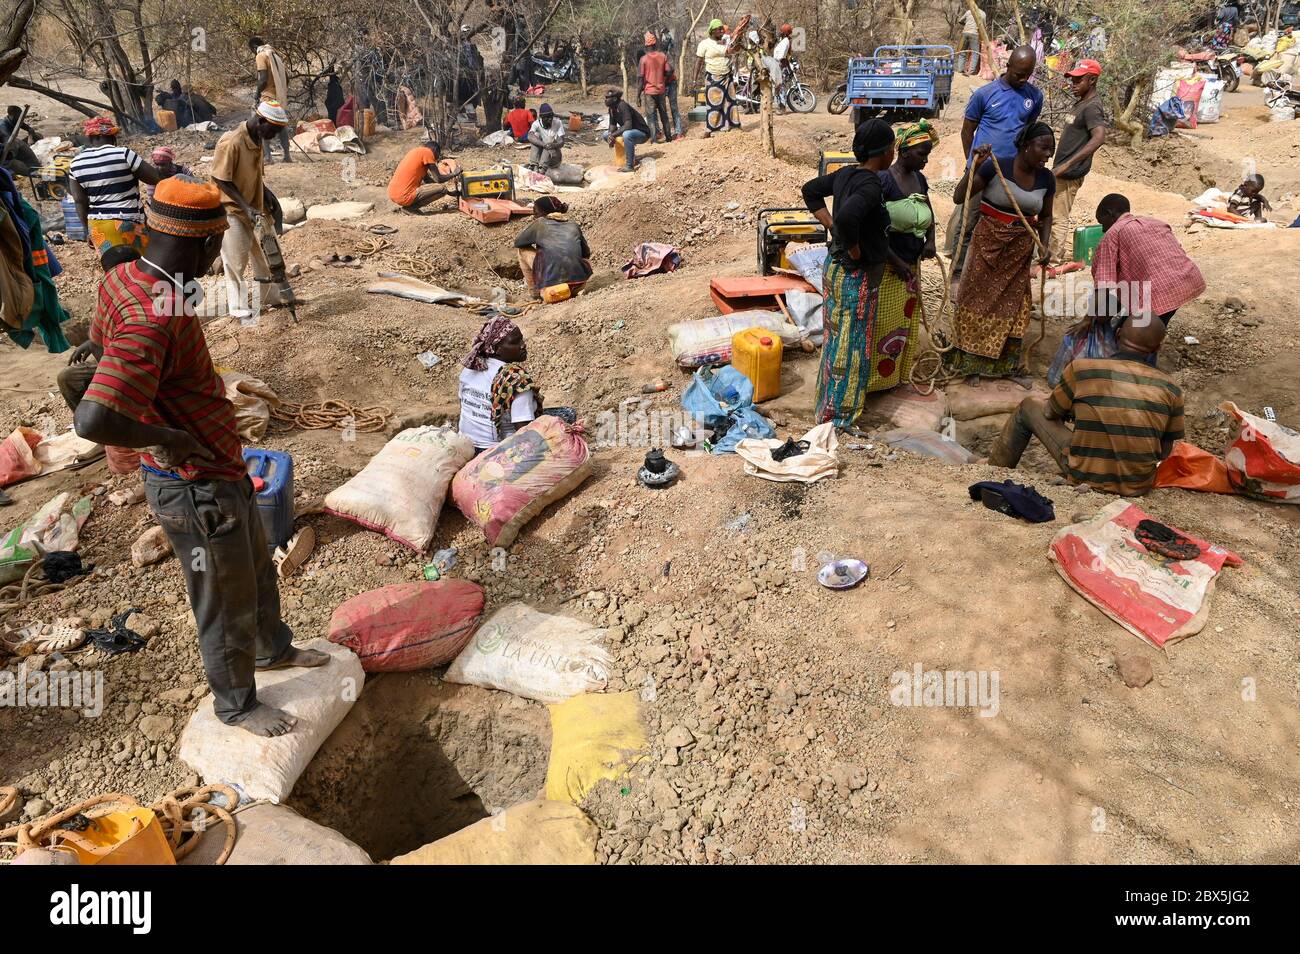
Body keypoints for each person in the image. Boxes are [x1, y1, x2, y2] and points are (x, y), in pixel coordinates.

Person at [71, 175, 329, 736]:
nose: (216, 259)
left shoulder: (128, 279)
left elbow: (93, 345)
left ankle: (272, 650)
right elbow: (91, 418)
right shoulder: (153, 315)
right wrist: (175, 438)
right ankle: (237, 703)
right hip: (194, 480)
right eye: (215, 248)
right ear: (205, 245)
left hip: (219, 466)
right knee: (222, 592)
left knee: (255, 566)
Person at [989, 316, 1183, 497]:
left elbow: (1049, 412)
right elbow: (1164, 452)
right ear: (1157, 349)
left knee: (1029, 406)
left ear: (1117, 335)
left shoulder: (1082, 369)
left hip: (1086, 476)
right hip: (1137, 485)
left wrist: (1074, 409)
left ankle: (992, 470)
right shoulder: (1171, 389)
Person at [800, 119, 897, 430]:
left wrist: (831, 227)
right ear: (884, 153)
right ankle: (840, 420)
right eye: (892, 147)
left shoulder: (845, 174)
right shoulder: (870, 184)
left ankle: (828, 410)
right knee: (852, 346)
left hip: (837, 270)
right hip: (855, 275)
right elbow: (848, 217)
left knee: (837, 340)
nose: (894, 153)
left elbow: (810, 191)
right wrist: (853, 247)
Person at [946, 122, 1056, 382]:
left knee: (1013, 305)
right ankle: (969, 364)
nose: (1047, 155)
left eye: (1051, 150)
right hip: (988, 243)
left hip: (1020, 251)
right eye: (1043, 148)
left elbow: (1047, 216)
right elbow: (959, 197)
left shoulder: (1047, 179)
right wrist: (974, 165)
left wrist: (1044, 244)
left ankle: (1004, 367)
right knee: (976, 299)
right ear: (1026, 145)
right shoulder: (997, 166)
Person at [947, 46, 1043, 277]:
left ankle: (993, 273)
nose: (1022, 79)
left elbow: (1027, 132)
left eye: (1027, 75)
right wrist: (973, 163)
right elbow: (967, 130)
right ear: (1008, 66)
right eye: (1018, 73)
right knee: (968, 222)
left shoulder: (1034, 97)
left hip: (1011, 174)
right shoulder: (985, 94)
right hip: (982, 170)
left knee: (1004, 224)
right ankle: (958, 274)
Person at [874, 121, 939, 391]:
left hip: (910, 268)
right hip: (889, 269)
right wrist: (897, 262)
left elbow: (929, 213)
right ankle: (877, 382)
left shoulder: (920, 180)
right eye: (921, 154)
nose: (925, 160)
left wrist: (930, 241)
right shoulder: (884, 181)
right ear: (904, 152)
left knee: (905, 324)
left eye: (927, 154)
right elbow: (875, 229)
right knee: (883, 326)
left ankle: (897, 378)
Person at [210, 101, 290, 319]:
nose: (273, 135)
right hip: (233, 209)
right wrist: (245, 207)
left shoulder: (257, 138)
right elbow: (219, 178)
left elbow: (254, 176)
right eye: (272, 129)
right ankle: (237, 306)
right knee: (236, 259)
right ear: (261, 120)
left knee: (266, 253)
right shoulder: (232, 141)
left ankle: (271, 297)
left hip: (255, 207)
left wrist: (267, 195)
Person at [1090, 193, 1205, 331]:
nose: (1103, 229)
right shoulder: (1155, 222)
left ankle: (1141, 346)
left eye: (1102, 223)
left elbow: (1103, 285)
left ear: (1110, 214)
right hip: (1186, 280)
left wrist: (1087, 319)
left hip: (1159, 291)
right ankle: (1148, 340)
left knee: (1132, 338)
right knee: (1144, 328)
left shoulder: (1113, 234)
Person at [68, 115, 162, 265]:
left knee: (114, 271)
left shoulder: (76, 163)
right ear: (112, 136)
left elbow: (79, 201)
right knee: (140, 268)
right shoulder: (123, 154)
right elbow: (154, 178)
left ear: (90, 138)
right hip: (127, 224)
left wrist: (88, 231)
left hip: (98, 227)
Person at [1050, 59, 1107, 263]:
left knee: (1058, 216)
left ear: (1092, 80)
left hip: (1069, 173)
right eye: (1072, 80)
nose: (1073, 84)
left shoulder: (1092, 107)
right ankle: (1048, 255)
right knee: (1052, 213)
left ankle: (1054, 259)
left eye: (1078, 80)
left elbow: (1099, 137)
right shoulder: (1081, 103)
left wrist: (1068, 164)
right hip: (1061, 170)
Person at [458, 316, 541, 453]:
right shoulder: (515, 380)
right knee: (565, 416)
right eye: (515, 342)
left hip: (465, 445)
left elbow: (464, 408)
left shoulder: (470, 369)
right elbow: (524, 432)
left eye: (521, 339)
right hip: (494, 451)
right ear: (496, 349)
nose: (523, 345)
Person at [513, 196, 592, 297]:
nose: (534, 216)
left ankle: (535, 294)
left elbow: (518, 242)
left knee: (522, 250)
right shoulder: (573, 225)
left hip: (551, 292)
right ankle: (575, 284)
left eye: (536, 212)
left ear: (544, 212)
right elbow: (586, 253)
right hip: (579, 285)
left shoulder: (540, 223)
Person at [387, 139, 460, 213]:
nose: (436, 159)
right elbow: (439, 179)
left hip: (393, 193)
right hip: (404, 196)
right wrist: (454, 173)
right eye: (438, 155)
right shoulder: (428, 153)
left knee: (442, 189)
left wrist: (450, 193)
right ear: (435, 150)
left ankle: (408, 207)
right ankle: (411, 208)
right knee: (442, 189)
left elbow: (429, 181)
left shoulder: (417, 154)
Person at [694, 19, 740, 136]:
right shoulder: (704, 44)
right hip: (713, 77)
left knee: (730, 102)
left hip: (727, 76)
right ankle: (712, 129)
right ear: (712, 31)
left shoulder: (725, 42)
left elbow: (734, 51)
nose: (721, 31)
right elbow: (698, 62)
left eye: (722, 29)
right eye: (719, 29)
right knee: (714, 104)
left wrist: (738, 39)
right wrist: (694, 79)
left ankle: (732, 126)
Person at [250, 37, 292, 163]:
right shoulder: (275, 56)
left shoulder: (261, 55)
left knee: (263, 126)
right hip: (279, 97)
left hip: (267, 97)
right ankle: (287, 156)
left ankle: (268, 157)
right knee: (282, 125)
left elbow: (262, 79)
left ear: (254, 47)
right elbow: (286, 78)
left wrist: (257, 94)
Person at [604, 89, 650, 173]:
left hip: (642, 133)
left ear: (614, 99)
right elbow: (612, 125)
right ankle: (629, 157)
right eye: (605, 97)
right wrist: (610, 135)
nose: (605, 100)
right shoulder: (611, 109)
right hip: (630, 132)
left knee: (627, 134)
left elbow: (628, 126)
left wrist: (613, 135)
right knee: (605, 134)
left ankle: (630, 165)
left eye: (607, 98)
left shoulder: (622, 105)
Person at [639, 32, 672, 144]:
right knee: (664, 115)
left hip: (649, 92)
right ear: (655, 44)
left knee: (651, 116)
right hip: (661, 90)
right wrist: (663, 80)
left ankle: (654, 139)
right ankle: (668, 138)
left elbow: (640, 78)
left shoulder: (643, 59)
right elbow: (669, 71)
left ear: (646, 45)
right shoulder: (662, 56)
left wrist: (638, 95)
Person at [0, 106, 40, 176]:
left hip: (31, 167)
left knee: (9, 162)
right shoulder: (4, 128)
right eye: (18, 117)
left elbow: (8, 153)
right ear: (11, 115)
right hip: (14, 146)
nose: (20, 119)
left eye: (20, 117)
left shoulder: (15, 121)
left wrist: (30, 138)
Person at [526, 104, 565, 171]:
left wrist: (554, 145)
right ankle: (534, 166)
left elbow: (562, 142)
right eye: (547, 117)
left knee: (550, 143)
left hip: (554, 158)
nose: (550, 119)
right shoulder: (536, 124)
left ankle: (542, 170)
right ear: (541, 117)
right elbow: (530, 136)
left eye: (551, 116)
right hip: (540, 158)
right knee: (536, 136)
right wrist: (544, 145)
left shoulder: (557, 122)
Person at [960, 5, 988, 75]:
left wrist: (966, 24)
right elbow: (983, 26)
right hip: (975, 34)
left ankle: (960, 70)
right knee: (975, 53)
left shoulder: (969, 12)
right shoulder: (983, 14)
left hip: (965, 32)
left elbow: (960, 21)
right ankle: (971, 71)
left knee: (962, 52)